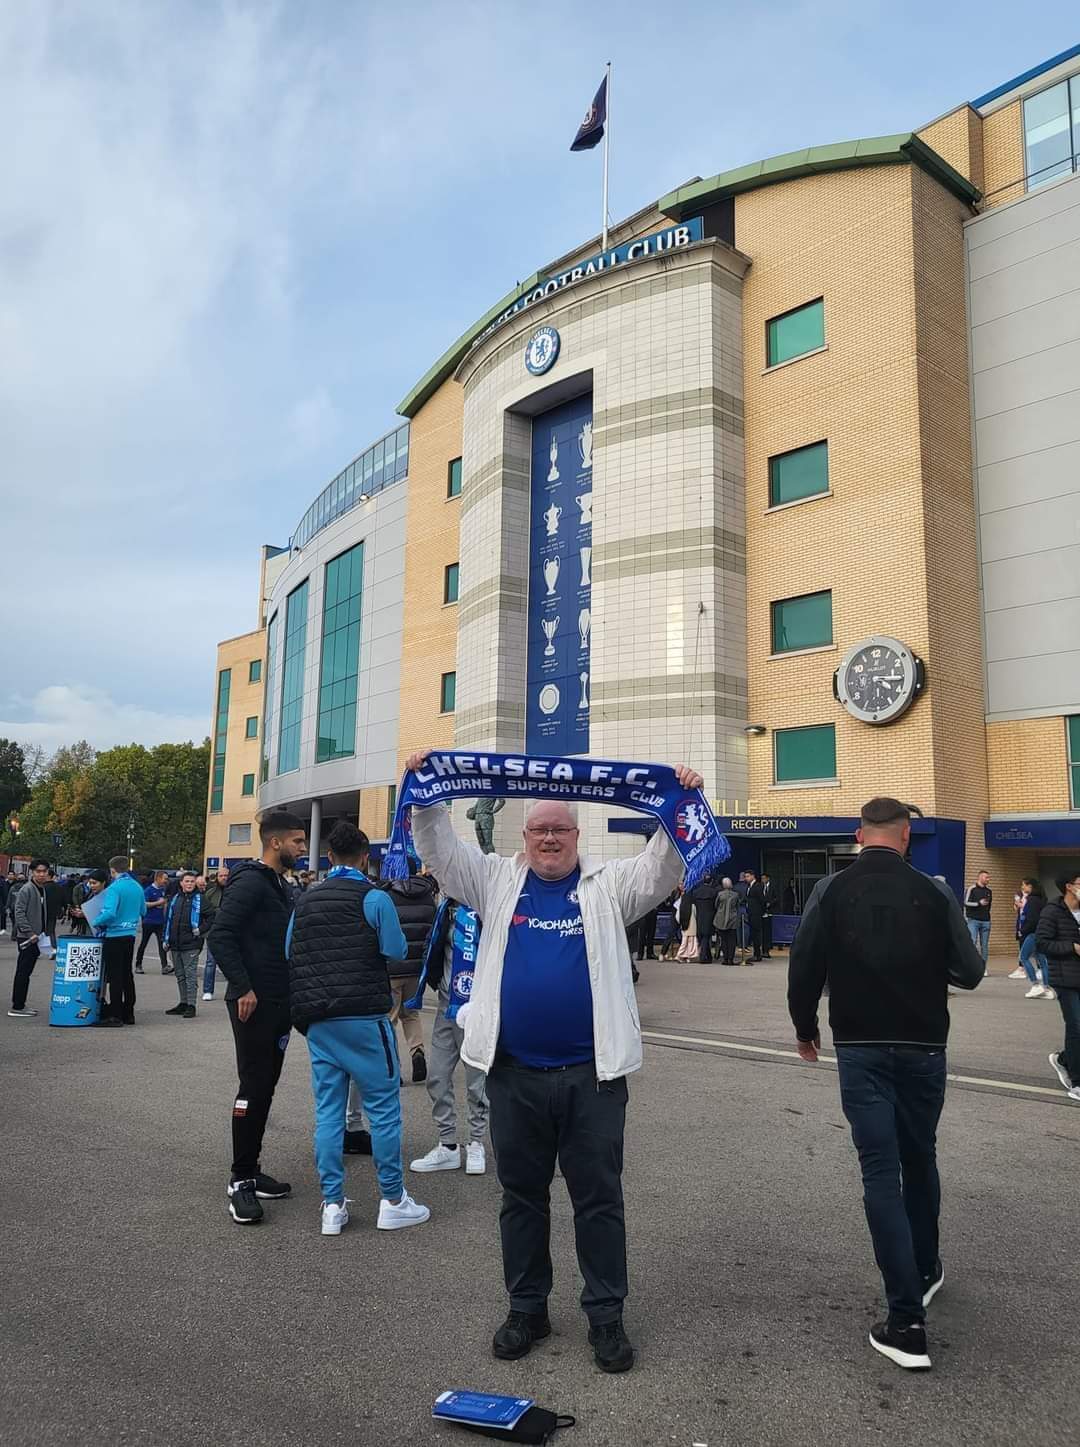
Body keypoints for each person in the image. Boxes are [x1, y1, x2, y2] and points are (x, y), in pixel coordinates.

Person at [407, 748, 699, 1374]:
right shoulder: (495, 880)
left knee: (599, 1201)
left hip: (593, 1080)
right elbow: (440, 854)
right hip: (513, 1075)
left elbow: (658, 868)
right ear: (524, 837)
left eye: (559, 829)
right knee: (521, 1198)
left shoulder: (607, 886)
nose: (548, 838)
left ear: (576, 835)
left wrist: (675, 804)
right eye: (538, 829)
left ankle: (605, 1318)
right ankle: (527, 1310)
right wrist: (428, 793)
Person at [788, 798, 984, 1371]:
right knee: (920, 1156)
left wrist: (806, 1029)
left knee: (880, 1170)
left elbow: (805, 967)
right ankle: (925, 1271)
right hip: (924, 1046)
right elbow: (970, 972)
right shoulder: (936, 891)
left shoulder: (831, 891)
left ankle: (906, 1322)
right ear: (905, 837)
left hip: (861, 1047)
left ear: (858, 836)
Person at [286, 820, 430, 1235]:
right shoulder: (374, 897)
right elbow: (395, 949)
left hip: (319, 1020)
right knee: (383, 1110)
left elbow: (289, 951)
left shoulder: (306, 900)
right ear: (366, 857)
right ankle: (392, 1198)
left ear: (329, 857)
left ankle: (332, 1205)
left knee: (328, 1112)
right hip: (365, 1015)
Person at [207, 811, 305, 1225]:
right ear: (276, 842)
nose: (303, 848)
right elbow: (220, 935)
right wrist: (243, 986)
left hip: (279, 1002)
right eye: (298, 841)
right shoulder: (249, 881)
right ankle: (239, 1181)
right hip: (254, 1002)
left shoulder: (278, 884)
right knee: (253, 1085)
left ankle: (252, 1167)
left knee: (265, 1087)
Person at [407, 896, 489, 1177]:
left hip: (476, 1008)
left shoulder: (484, 909)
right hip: (445, 1006)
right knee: (438, 1077)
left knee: (477, 1080)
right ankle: (448, 1144)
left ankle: (477, 1141)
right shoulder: (444, 909)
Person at [1035, 871, 1080, 1101]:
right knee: (1076, 1027)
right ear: (1069, 887)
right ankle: (1077, 1082)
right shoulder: (1053, 911)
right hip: (1065, 978)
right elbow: (1042, 942)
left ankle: (1063, 1058)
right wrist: (1072, 948)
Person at [93, 857, 147, 1027]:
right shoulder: (137, 886)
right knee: (127, 974)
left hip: (114, 935)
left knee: (115, 976)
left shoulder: (114, 888)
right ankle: (128, 1013)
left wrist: (95, 920)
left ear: (112, 870)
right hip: (129, 934)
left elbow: (109, 913)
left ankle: (114, 1015)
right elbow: (143, 910)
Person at [164, 871, 211, 1018]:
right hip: (175, 943)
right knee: (180, 975)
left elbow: (212, 917)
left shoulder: (200, 899)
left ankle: (191, 1005)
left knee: (190, 975)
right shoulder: (175, 899)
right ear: (181, 883)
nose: (189, 884)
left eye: (192, 881)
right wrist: (166, 939)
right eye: (187, 881)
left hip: (191, 944)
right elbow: (169, 920)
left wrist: (200, 930)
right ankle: (183, 1003)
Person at [8, 859, 51, 1018]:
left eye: (44, 871)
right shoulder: (27, 889)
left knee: (26, 970)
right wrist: (29, 932)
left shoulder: (41, 889)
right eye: (38, 871)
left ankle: (20, 1004)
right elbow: (18, 912)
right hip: (27, 937)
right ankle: (17, 1006)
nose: (41, 874)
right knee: (23, 971)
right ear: (32, 872)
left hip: (37, 936)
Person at [1015, 879, 1053, 1000]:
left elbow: (1031, 918)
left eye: (1024, 885)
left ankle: (1035, 985)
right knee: (1042, 960)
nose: (1022, 887)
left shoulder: (1031, 900)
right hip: (1041, 933)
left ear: (1030, 886)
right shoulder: (1042, 900)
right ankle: (1047, 988)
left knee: (1023, 957)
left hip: (1032, 933)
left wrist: (1023, 930)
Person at [200, 866, 229, 999]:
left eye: (226, 875)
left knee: (232, 961)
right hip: (213, 932)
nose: (224, 878)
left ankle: (233, 989)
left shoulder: (235, 891)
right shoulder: (210, 893)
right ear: (217, 877)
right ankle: (207, 990)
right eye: (221, 875)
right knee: (211, 962)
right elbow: (205, 912)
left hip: (230, 932)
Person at [136, 870, 169, 973]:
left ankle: (165, 966)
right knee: (144, 943)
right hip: (149, 921)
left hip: (160, 922)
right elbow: (144, 904)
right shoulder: (148, 890)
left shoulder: (163, 890)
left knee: (162, 944)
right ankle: (138, 965)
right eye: (165, 878)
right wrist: (157, 903)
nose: (166, 881)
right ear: (158, 878)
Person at [963, 870, 992, 972]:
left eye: (988, 878)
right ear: (980, 877)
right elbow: (966, 903)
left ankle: (983, 968)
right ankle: (971, 966)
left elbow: (989, 906)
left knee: (984, 945)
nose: (988, 879)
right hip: (973, 920)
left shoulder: (989, 891)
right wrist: (978, 903)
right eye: (986, 877)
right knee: (972, 942)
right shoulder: (972, 889)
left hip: (986, 921)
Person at [691, 870, 719, 963]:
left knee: (702, 936)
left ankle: (708, 957)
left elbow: (694, 903)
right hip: (710, 916)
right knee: (706, 937)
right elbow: (716, 905)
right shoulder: (713, 892)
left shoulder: (696, 892)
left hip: (699, 916)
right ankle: (703, 957)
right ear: (711, 881)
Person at [713, 877, 740, 965]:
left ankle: (725, 959)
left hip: (721, 919)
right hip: (732, 919)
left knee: (723, 940)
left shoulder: (720, 894)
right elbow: (737, 906)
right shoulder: (735, 895)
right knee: (732, 940)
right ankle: (730, 959)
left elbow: (716, 905)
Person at [745, 871, 766, 962]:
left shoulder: (758, 886)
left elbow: (762, 899)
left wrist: (762, 911)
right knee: (753, 933)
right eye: (745, 876)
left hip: (756, 913)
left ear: (753, 876)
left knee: (756, 933)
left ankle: (757, 954)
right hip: (751, 913)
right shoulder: (749, 886)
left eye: (748, 876)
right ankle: (756, 953)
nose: (746, 878)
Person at [675, 887, 698, 962]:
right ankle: (687, 955)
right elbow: (695, 914)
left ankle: (682, 955)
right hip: (692, 926)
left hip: (684, 925)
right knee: (691, 942)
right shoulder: (693, 906)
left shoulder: (681, 906)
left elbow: (677, 917)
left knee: (684, 941)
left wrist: (681, 922)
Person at [761, 872, 781, 957]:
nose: (763, 880)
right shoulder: (761, 887)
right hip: (763, 912)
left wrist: (770, 903)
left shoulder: (773, 887)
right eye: (762, 878)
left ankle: (769, 946)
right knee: (764, 931)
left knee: (770, 930)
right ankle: (765, 949)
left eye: (764, 878)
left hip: (771, 911)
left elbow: (777, 897)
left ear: (768, 878)